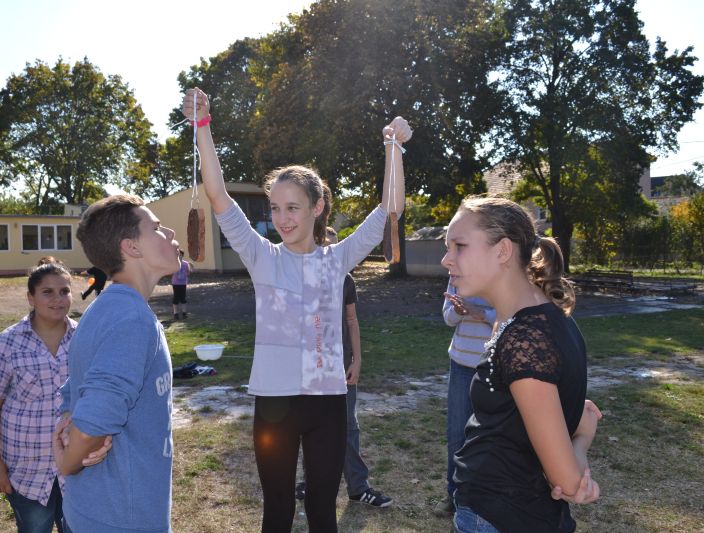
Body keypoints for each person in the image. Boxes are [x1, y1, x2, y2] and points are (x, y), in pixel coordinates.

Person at [183, 87, 411, 533]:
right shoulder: (261, 256)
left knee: (323, 513)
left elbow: (391, 210)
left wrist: (394, 148)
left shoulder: (338, 259)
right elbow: (218, 196)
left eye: (293, 208)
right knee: (277, 512)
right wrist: (202, 126)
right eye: (275, 208)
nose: (282, 218)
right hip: (275, 404)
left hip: (328, 404)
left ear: (317, 207)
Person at [441, 196, 602, 532]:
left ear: (503, 251)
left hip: (500, 517)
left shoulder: (526, 337)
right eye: (447, 248)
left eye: (459, 246)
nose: (446, 260)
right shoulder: (529, 320)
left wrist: (584, 435)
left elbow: (568, 481)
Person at [53, 194, 180, 533]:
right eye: (156, 228)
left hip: (97, 511)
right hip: (120, 520)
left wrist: (69, 426)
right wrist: (68, 462)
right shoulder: (130, 318)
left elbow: (72, 390)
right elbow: (94, 419)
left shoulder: (107, 307)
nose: (169, 233)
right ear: (131, 247)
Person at [0, 260, 110, 533]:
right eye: (47, 292)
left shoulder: (85, 338)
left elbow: (100, 397)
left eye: (64, 291)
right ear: (31, 297)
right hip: (27, 471)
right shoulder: (8, 343)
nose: (58, 299)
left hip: (79, 467)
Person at [295, 227, 393, 508]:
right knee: (312, 426)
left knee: (348, 426)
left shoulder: (346, 280)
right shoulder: (302, 278)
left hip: (341, 367)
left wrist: (357, 360)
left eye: (334, 246)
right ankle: (310, 482)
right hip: (311, 368)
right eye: (324, 244)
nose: (330, 251)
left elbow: (351, 321)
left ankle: (358, 488)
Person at [435, 283, 495, 517]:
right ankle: (454, 495)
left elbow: (513, 316)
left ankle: (484, 496)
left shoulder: (502, 270)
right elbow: (448, 318)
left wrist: (482, 314)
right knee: (457, 435)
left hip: (493, 364)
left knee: (490, 434)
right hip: (461, 363)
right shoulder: (457, 272)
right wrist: (458, 311)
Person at [171, 250, 193, 320]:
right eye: (177, 254)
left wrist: (190, 268)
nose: (178, 256)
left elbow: (189, 272)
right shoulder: (174, 263)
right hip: (175, 283)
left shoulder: (186, 264)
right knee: (176, 298)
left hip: (183, 283)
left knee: (183, 298)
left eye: (180, 255)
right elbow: (170, 272)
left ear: (182, 255)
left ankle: (184, 313)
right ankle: (175, 314)